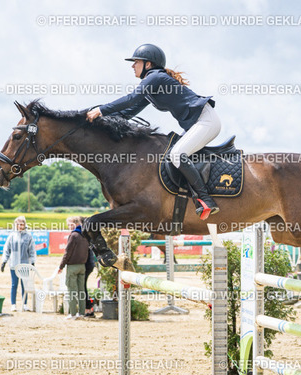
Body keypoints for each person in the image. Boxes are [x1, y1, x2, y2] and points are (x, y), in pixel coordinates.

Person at [86, 43, 221, 220]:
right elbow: (128, 112)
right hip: (197, 123)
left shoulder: (155, 77)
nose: (133, 66)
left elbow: (130, 99)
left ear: (148, 64)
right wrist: (99, 121)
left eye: (136, 62)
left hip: (207, 121)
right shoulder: (152, 85)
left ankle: (205, 200)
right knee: (172, 156)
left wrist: (101, 110)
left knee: (176, 155)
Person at [1, 216, 36, 312]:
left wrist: (32, 262)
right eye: (18, 224)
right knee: (14, 284)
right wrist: (4, 261)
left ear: (25, 225)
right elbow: (7, 249)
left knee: (24, 285)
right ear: (15, 225)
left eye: (22, 224)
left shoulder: (28, 236)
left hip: (25, 265)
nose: (20, 226)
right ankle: (13, 305)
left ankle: (24, 304)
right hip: (14, 264)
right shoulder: (12, 236)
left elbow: (32, 250)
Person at [58, 216, 89, 320]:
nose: (69, 226)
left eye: (70, 224)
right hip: (82, 266)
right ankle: (81, 313)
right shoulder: (85, 234)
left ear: (76, 224)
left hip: (72, 266)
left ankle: (72, 314)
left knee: (71, 290)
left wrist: (61, 266)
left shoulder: (73, 235)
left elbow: (67, 253)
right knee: (81, 291)